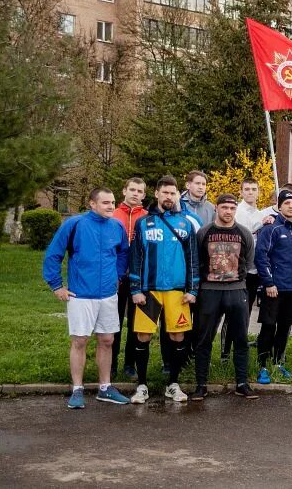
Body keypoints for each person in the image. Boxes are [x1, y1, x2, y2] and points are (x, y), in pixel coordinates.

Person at [43, 187, 131, 408]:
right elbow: (53, 254)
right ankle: (77, 389)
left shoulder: (116, 226)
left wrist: (118, 275)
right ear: (92, 204)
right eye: (105, 203)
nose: (111, 206)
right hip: (81, 294)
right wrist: (56, 286)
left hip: (108, 295)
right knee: (80, 341)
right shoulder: (75, 224)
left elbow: (123, 253)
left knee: (107, 340)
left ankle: (105, 388)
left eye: (112, 202)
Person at [128, 175, 200, 404]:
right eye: (165, 193)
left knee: (177, 335)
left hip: (177, 292)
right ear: (157, 194)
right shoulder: (144, 223)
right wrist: (135, 288)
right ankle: (141, 385)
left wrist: (193, 289)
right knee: (143, 335)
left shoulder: (185, 223)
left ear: (178, 195)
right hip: (148, 290)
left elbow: (193, 259)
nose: (169, 197)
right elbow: (136, 258)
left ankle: (173, 384)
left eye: (173, 193)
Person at [191, 194, 257, 400]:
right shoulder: (204, 233)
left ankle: (242, 383)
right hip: (209, 291)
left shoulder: (243, 233)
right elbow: (197, 260)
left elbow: (248, 261)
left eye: (231, 208)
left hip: (236, 291)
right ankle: (201, 385)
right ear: (217, 209)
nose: (228, 211)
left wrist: (238, 280)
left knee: (240, 339)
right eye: (224, 207)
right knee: (203, 339)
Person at [254, 189, 292, 384]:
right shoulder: (271, 228)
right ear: (280, 206)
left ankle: (278, 363)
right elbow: (261, 256)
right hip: (274, 288)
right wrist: (269, 282)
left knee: (284, 327)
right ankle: (263, 366)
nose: (291, 206)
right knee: (268, 326)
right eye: (287, 203)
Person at [220, 178, 265, 363]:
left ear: (258, 192)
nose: (250, 192)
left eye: (254, 189)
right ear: (241, 192)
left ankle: (240, 345)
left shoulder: (261, 212)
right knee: (231, 313)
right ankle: (225, 352)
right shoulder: (236, 212)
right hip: (238, 270)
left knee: (245, 312)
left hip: (254, 271)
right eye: (246, 189)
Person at [111, 177, 148, 381]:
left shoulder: (147, 217)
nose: (135, 193)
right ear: (124, 190)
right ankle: (112, 364)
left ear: (144, 195)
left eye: (139, 191)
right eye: (132, 189)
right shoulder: (113, 215)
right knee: (113, 322)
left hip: (139, 279)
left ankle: (130, 364)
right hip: (116, 277)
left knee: (135, 324)